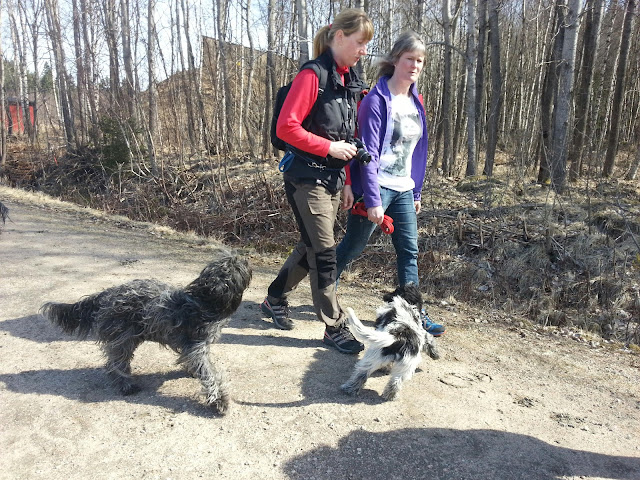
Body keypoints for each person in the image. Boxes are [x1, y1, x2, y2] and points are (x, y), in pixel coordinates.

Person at [260, 8, 374, 354]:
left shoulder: (348, 80)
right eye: (360, 42)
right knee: (324, 252)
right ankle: (333, 325)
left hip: (333, 178)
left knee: (311, 244)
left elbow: (347, 137)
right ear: (339, 36)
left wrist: (349, 180)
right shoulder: (313, 75)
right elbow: (286, 127)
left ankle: (274, 297)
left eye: (366, 45)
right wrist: (328, 147)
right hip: (305, 177)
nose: (364, 50)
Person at [336, 31, 445, 336]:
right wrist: (372, 200)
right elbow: (367, 153)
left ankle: (414, 313)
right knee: (353, 247)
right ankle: (325, 294)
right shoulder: (376, 101)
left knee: (409, 251)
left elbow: (417, 151)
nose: (415, 65)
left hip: (404, 188)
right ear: (396, 60)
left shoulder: (416, 102)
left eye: (420, 61)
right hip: (377, 186)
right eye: (410, 59)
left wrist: (417, 190)